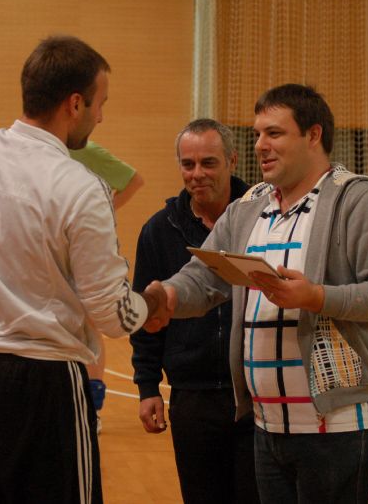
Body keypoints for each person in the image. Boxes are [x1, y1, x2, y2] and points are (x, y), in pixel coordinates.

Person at [0, 35, 166, 503]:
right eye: (100, 103)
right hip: (42, 379)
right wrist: (153, 301)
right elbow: (112, 315)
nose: (100, 116)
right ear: (75, 103)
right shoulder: (80, 185)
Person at [155, 84, 368, 503]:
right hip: (266, 427)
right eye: (258, 134)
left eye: (274, 133)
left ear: (313, 135)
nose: (260, 145)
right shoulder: (248, 207)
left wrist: (315, 297)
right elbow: (203, 279)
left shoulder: (362, 199)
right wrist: (166, 297)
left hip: (338, 429)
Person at [131, 119, 258, 504]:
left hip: (256, 394)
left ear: (232, 160)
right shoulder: (158, 230)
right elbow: (146, 315)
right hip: (193, 398)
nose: (197, 174)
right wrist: (148, 386)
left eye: (208, 163)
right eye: (188, 164)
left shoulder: (264, 219)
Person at [71, 140, 144, 433]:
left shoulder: (87, 151)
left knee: (89, 329)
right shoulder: (36, 151)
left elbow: (133, 181)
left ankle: (93, 408)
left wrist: (103, 211)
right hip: (49, 252)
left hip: (86, 253)